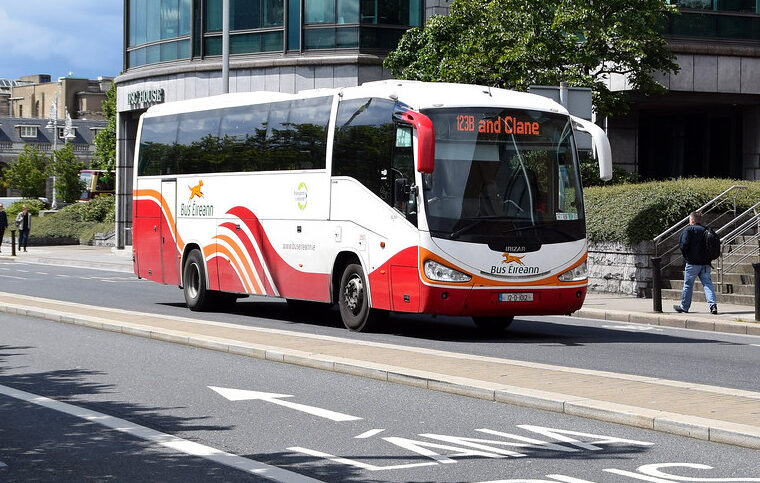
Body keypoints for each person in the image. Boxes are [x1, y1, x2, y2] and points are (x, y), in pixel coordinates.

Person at [674, 211, 718, 315]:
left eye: (689, 220)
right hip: (705, 263)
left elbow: (683, 245)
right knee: (708, 284)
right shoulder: (706, 230)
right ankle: (713, 306)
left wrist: (687, 256)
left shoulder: (689, 230)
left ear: (692, 220)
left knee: (688, 285)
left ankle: (684, 307)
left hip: (692, 263)